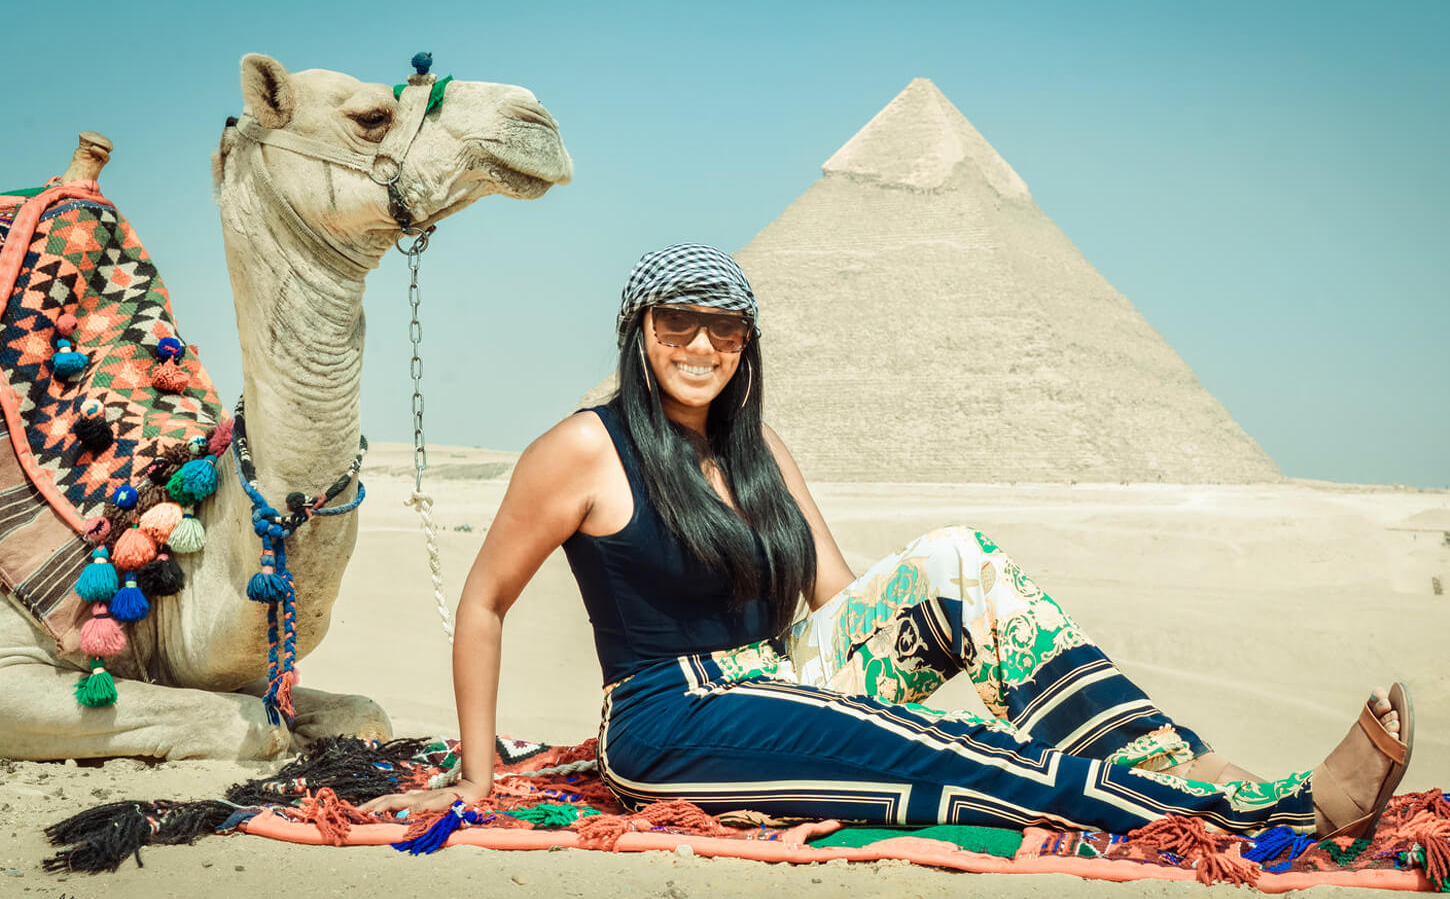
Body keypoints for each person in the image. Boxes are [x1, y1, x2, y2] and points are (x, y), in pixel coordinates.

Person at [364, 244, 1413, 837]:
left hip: (778, 675)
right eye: (677, 323)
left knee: (956, 556)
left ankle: (1180, 761)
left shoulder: (760, 444)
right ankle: (1255, 808)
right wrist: (472, 770)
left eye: (723, 330)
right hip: (671, 710)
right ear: (638, 330)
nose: (699, 346)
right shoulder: (582, 449)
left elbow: (839, 591)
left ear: (747, 344)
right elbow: (484, 601)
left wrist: (896, 660)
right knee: (951, 752)